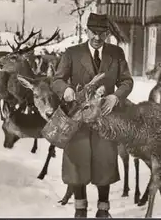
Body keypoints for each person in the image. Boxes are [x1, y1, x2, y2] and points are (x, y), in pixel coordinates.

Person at [52, 13, 134, 218]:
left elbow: (127, 81)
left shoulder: (116, 53)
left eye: (102, 33)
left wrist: (116, 97)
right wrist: (66, 90)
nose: (98, 37)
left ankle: (103, 210)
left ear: (108, 33)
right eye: (94, 32)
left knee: (104, 161)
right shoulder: (71, 53)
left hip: (105, 118)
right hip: (77, 119)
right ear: (86, 30)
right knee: (78, 162)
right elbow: (57, 80)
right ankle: (80, 209)